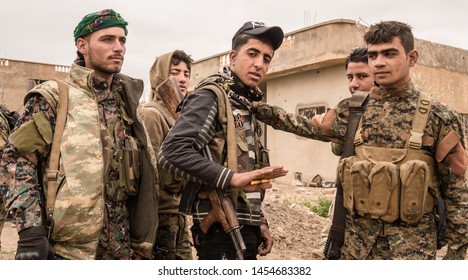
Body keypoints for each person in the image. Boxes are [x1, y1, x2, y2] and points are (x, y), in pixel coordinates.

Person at [253, 20, 468, 260]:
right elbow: (301, 124)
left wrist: (456, 258)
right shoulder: (354, 110)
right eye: (374, 55)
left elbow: (458, 194)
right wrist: (257, 108)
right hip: (357, 248)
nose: (379, 62)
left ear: (412, 58)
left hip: (410, 251)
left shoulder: (438, 117)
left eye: (390, 53)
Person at [1, 9, 159, 260]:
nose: (118, 47)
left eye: (122, 40)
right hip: (68, 252)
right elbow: (17, 160)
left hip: (123, 251)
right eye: (107, 39)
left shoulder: (128, 104)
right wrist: (31, 231)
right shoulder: (56, 97)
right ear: (82, 45)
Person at [158, 21, 289, 260]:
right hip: (219, 229)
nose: (259, 63)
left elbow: (246, 170)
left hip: (244, 225)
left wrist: (259, 221)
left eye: (266, 58)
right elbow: (170, 154)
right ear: (232, 56)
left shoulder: (244, 103)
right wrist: (232, 178)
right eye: (252, 53)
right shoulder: (211, 96)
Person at [314, 47, 377, 258]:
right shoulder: (349, 109)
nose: (353, 84)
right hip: (346, 195)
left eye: (362, 76)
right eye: (350, 77)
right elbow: (337, 149)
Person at [140, 50, 194, 260]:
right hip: (160, 216)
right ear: (160, 76)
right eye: (175, 72)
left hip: (178, 213)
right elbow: (148, 174)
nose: (182, 78)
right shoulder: (152, 115)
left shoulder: (181, 117)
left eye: (186, 73)